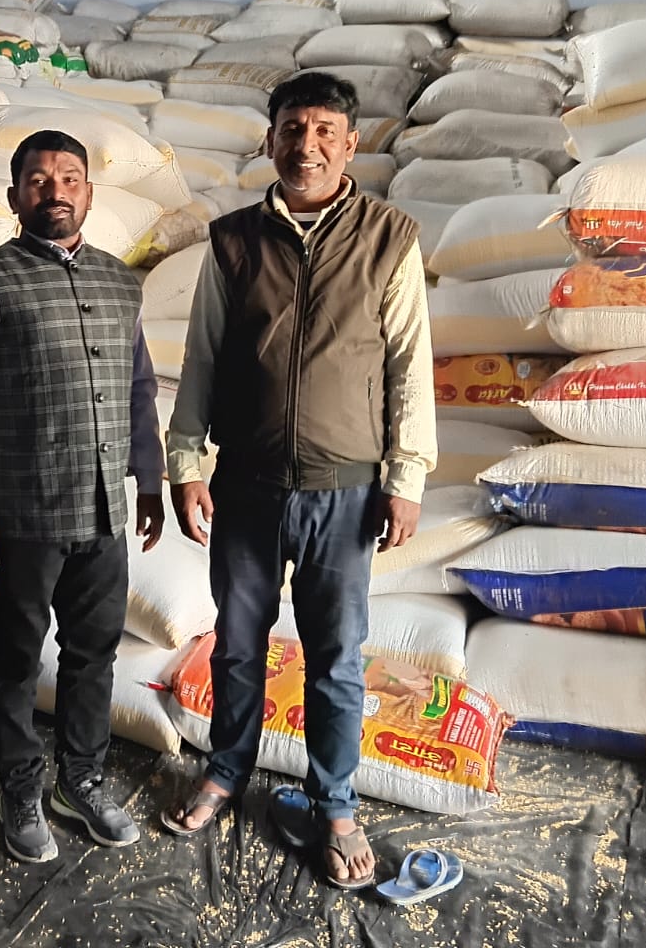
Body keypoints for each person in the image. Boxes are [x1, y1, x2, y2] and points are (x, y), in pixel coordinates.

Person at [159, 71, 435, 890]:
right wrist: (186, 462)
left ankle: (336, 805)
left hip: (345, 490)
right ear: (269, 139)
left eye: (323, 131)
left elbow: (408, 365)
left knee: (336, 659)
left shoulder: (388, 238)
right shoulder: (234, 241)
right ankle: (225, 772)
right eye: (291, 129)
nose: (305, 147)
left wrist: (406, 475)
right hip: (246, 484)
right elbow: (203, 356)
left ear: (350, 144)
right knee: (238, 646)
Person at [0, 129, 167, 864]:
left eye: (69, 178)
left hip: (103, 512)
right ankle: (19, 784)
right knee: (15, 656)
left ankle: (81, 780)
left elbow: (138, 388)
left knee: (94, 654)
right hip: (22, 513)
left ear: (89, 194)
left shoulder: (120, 282)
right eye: (38, 180)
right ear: (15, 196)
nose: (55, 191)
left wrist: (150, 477)